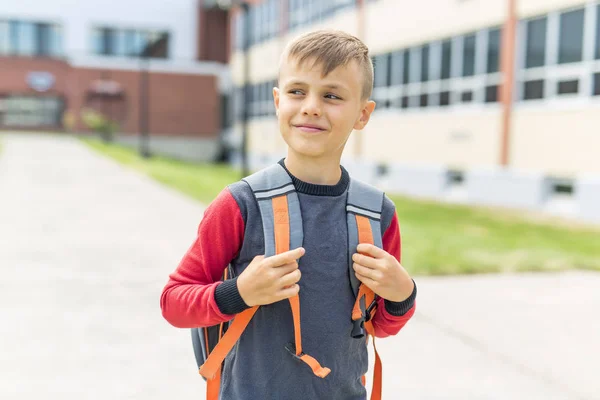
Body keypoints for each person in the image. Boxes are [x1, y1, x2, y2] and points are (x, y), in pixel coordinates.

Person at [160, 29, 417, 400]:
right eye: (298, 92)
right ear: (278, 101)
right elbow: (174, 302)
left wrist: (402, 295)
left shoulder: (378, 214)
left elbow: (379, 326)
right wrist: (240, 293)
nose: (311, 106)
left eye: (331, 95)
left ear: (363, 114)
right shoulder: (239, 204)